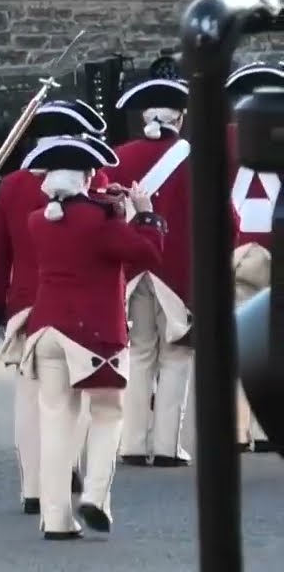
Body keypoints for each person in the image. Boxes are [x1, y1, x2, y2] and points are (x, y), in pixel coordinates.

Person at [19, 135, 165, 538]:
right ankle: (96, 496)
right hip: (93, 332)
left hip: (46, 328)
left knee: (55, 424)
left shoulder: (38, 219)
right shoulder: (101, 220)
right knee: (106, 413)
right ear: (86, 176)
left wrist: (109, 206)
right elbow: (147, 253)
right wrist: (145, 214)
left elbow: (81, 218)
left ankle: (56, 519)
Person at [0, 99, 107, 513]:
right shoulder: (94, 180)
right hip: (81, 304)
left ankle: (34, 487)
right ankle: (66, 466)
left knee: (31, 399)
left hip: (24, 302)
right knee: (81, 400)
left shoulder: (13, 185)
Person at [111, 79, 206, 467]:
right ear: (179, 119)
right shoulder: (197, 158)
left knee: (139, 352)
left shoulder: (117, 157)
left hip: (133, 268)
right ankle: (168, 446)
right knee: (177, 355)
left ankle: (133, 443)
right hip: (180, 271)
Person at [225, 62, 279, 453]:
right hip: (278, 247)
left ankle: (239, 429)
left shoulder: (217, 140)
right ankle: (267, 427)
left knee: (240, 341)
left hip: (236, 249)